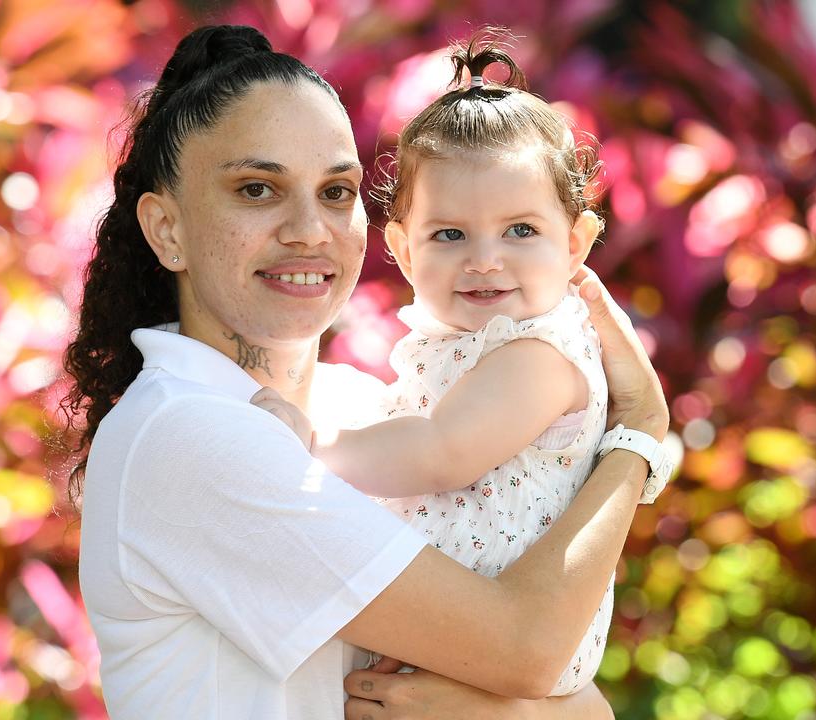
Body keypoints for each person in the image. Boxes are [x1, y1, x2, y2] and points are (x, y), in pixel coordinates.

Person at [63, 24, 669, 719]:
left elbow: (576, 698)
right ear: (167, 229)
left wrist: (517, 711)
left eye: (335, 191)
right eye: (257, 189)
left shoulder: (366, 412)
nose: (308, 230)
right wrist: (639, 435)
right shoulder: (190, 433)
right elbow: (527, 648)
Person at [253, 33, 667, 698]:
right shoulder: (462, 348)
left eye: (520, 231)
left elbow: (443, 451)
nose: (484, 259)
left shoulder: (539, 355)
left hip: (514, 621)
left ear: (576, 244)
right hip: (468, 621)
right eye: (449, 235)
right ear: (404, 250)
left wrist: (310, 447)